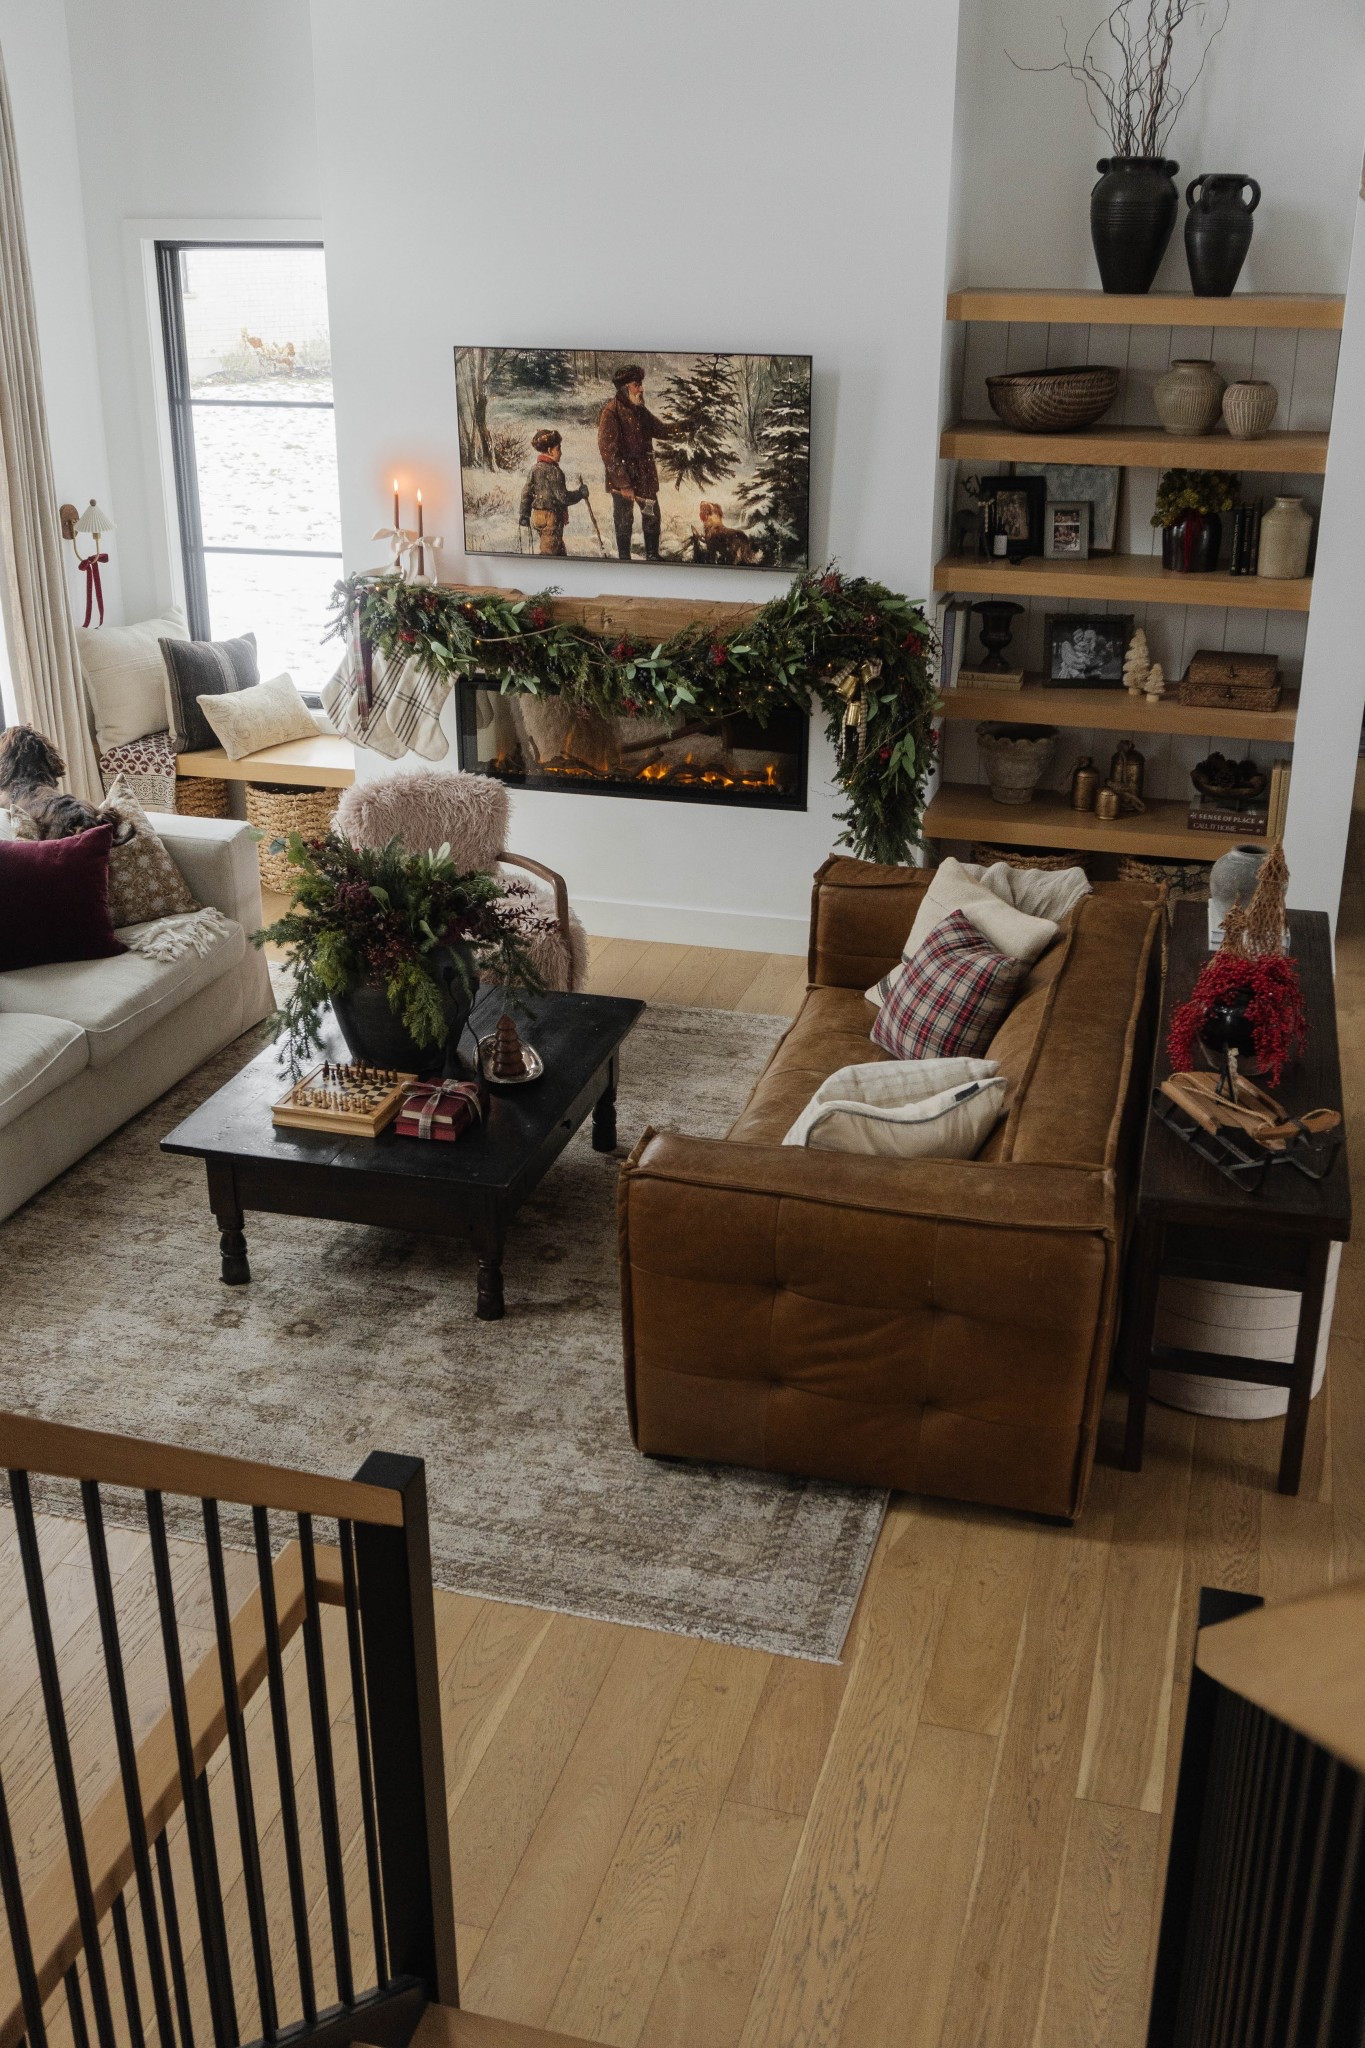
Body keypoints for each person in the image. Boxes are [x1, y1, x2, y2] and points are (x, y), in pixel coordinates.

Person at [596, 363, 678, 561]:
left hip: (645, 476)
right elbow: (609, 452)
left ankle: (652, 556)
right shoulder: (611, 411)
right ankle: (624, 559)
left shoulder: (640, 410)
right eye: (637, 384)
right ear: (625, 387)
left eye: (640, 384)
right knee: (624, 520)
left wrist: (686, 427)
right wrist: (623, 484)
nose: (641, 389)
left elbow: (661, 430)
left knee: (652, 516)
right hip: (623, 478)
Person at [518, 429, 589, 556]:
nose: (561, 453)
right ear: (550, 451)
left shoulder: (534, 469)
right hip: (551, 518)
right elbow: (563, 498)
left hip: (538, 517)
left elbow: (526, 492)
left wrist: (524, 514)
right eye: (558, 449)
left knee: (558, 549)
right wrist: (580, 493)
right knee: (550, 552)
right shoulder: (554, 471)